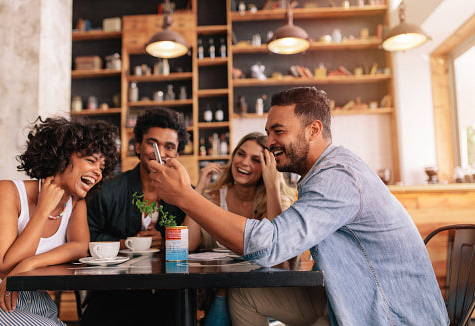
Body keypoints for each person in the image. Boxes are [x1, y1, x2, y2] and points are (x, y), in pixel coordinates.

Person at [148, 86, 449, 325]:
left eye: (278, 131)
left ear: (313, 130)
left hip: (389, 313)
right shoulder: (321, 174)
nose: (269, 143)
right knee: (243, 295)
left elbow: (270, 246)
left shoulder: (338, 177)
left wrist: (186, 197)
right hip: (345, 295)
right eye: (268, 133)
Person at [0, 116, 119, 326]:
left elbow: (79, 247)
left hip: (37, 300)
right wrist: (43, 210)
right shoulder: (6, 192)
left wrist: (31, 262)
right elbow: (6, 269)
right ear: (61, 156)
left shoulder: (76, 203)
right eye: (90, 160)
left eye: (102, 166)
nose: (98, 171)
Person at [81, 107, 190, 326]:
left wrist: (170, 241)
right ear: (138, 146)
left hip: (168, 293)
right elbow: (84, 238)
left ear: (177, 154)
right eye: (152, 143)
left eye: (169, 147)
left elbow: (196, 241)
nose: (160, 152)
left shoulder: (187, 196)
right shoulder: (108, 191)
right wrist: (125, 244)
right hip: (114, 293)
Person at [184, 132, 297, 325]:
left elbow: (279, 261)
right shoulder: (211, 199)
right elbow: (187, 244)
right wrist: (198, 191)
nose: (244, 162)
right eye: (241, 154)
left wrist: (273, 186)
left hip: (264, 294)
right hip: (220, 291)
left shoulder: (277, 202)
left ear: (268, 167)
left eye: (255, 159)